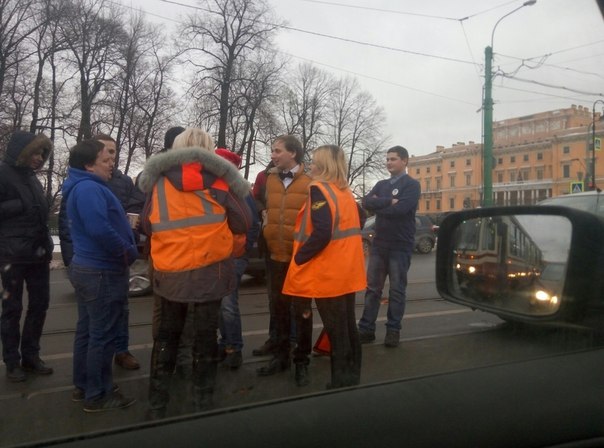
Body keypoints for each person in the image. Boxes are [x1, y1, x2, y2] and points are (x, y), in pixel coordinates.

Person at [138, 128, 252, 417]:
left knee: (167, 337)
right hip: (210, 273)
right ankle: (202, 402)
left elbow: (147, 225)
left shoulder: (158, 183)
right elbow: (243, 223)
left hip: (170, 272)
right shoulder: (221, 182)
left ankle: (157, 403)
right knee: (205, 337)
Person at [63, 139, 138, 412]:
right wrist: (127, 251)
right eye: (105, 160)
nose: (111, 164)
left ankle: (84, 386)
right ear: (88, 164)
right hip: (101, 270)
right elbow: (100, 229)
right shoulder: (89, 189)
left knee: (88, 332)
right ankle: (98, 394)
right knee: (102, 336)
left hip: (90, 269)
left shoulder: (83, 186)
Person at [283, 145, 366, 389]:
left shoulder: (319, 190)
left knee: (337, 330)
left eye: (314, 162)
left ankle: (341, 383)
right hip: (345, 269)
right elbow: (357, 220)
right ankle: (352, 377)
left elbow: (321, 233)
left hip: (327, 272)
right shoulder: (344, 192)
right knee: (348, 327)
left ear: (324, 166)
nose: (310, 165)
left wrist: (299, 258)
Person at [256, 135, 313, 387]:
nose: (273, 155)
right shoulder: (269, 178)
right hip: (274, 254)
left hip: (299, 258)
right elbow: (259, 202)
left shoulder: (311, 182)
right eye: (272, 150)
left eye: (278, 151)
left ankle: (302, 361)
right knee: (277, 308)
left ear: (293, 153)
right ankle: (280, 357)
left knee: (301, 312)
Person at [0, 130, 54, 382]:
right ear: (22, 151)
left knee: (40, 305)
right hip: (11, 256)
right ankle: (12, 362)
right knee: (12, 309)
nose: (39, 158)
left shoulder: (32, 178)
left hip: (37, 254)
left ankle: (31, 356)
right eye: (35, 152)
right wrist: (18, 205)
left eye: (43, 153)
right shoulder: (3, 173)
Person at [357, 145, 421, 348]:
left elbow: (401, 210)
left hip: (400, 245)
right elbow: (366, 202)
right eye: (387, 159)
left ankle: (393, 330)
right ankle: (366, 329)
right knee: (372, 289)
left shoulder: (412, 185)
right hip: (379, 244)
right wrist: (389, 201)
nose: (388, 163)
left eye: (393, 159)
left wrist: (381, 205)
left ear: (404, 161)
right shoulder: (381, 184)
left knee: (397, 291)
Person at [94, 134, 144, 371]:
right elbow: (67, 222)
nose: (110, 156)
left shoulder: (124, 181)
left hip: (121, 251)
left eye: (113, 151)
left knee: (122, 306)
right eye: (105, 151)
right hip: (97, 254)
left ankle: (121, 351)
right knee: (98, 312)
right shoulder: (88, 181)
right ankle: (97, 364)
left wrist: (131, 236)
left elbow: (135, 207)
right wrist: (69, 258)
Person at [215, 148, 260, 369]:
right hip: (219, 254)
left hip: (234, 255)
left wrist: (242, 250)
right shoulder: (215, 186)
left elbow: (252, 223)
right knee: (220, 304)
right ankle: (225, 343)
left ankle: (234, 348)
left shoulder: (240, 190)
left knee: (228, 304)